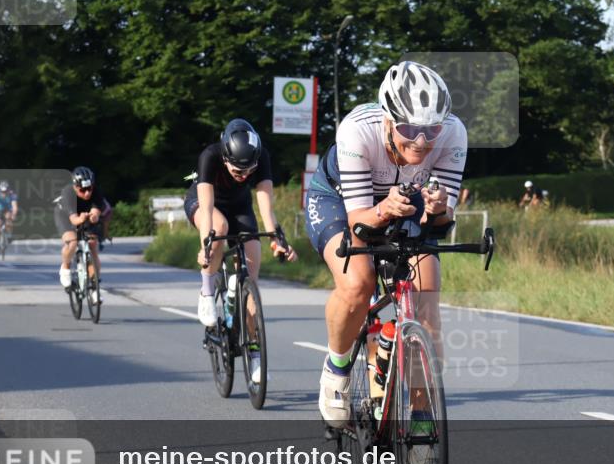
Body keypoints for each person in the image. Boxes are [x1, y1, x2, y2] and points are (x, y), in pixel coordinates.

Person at [304, 61, 465, 427]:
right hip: (340, 200)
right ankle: (337, 368)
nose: (422, 142)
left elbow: (441, 224)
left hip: (406, 200)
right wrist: (383, 209)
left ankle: (423, 420)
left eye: (431, 130)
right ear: (388, 120)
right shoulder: (357, 131)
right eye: (409, 129)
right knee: (358, 282)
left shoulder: (453, 132)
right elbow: (360, 222)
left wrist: (439, 210)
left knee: (427, 306)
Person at [184, 118, 296, 341]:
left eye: (249, 170)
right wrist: (205, 246)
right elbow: (206, 210)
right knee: (220, 226)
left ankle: (254, 350)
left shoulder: (261, 155)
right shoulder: (210, 156)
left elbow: (266, 207)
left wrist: (277, 239)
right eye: (238, 171)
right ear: (225, 159)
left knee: (251, 273)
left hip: (239, 206)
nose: (244, 176)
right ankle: (206, 291)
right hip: (205, 203)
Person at [54, 167, 107, 297]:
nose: (87, 193)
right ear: (75, 186)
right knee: (72, 241)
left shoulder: (96, 193)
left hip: (85, 215)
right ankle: (65, 268)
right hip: (66, 216)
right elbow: (74, 220)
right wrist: (81, 218)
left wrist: (94, 216)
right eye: (83, 190)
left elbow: (96, 212)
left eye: (90, 189)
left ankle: (94, 286)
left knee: (92, 244)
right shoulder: (68, 193)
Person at [0, 180, 19, 249]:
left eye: (5, 191)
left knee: (8, 218)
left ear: (8, 190)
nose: (4, 193)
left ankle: (9, 236)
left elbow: (15, 207)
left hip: (8, 209)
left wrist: (14, 215)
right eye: (2, 191)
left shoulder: (12, 195)